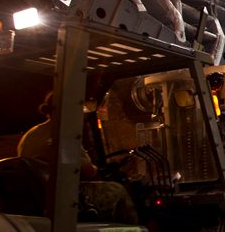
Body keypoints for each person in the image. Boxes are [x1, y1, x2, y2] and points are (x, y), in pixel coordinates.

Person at [17, 91, 138, 223]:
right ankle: (134, 231)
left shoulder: (30, 135)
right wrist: (97, 169)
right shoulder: (63, 135)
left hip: (39, 195)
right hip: (63, 196)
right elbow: (87, 172)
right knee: (118, 190)